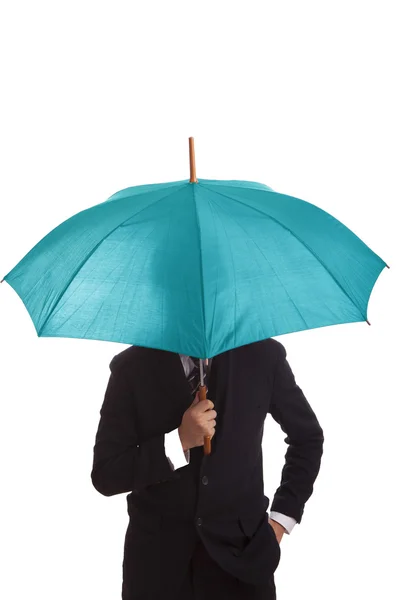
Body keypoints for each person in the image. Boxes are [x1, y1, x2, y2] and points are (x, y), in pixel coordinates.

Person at [91, 338, 324, 599]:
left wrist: (281, 520)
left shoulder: (262, 354)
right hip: (157, 572)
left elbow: (307, 438)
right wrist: (178, 441)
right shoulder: (130, 366)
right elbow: (106, 473)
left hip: (244, 563)